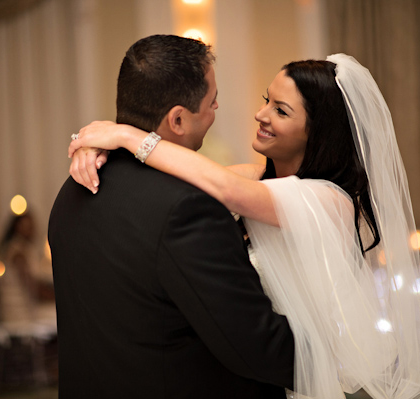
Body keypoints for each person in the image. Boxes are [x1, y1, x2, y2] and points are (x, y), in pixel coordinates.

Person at [68, 54, 420, 399]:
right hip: (252, 374)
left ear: (317, 131)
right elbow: (176, 184)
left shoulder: (332, 201)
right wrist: (97, 149)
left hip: (295, 374)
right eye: (266, 100)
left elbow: (226, 190)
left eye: (281, 110)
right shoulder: (255, 179)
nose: (261, 114)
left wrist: (126, 136)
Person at [48, 34, 295, 399]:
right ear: (178, 119)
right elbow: (261, 349)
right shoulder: (188, 210)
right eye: (211, 102)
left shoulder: (72, 190)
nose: (216, 108)